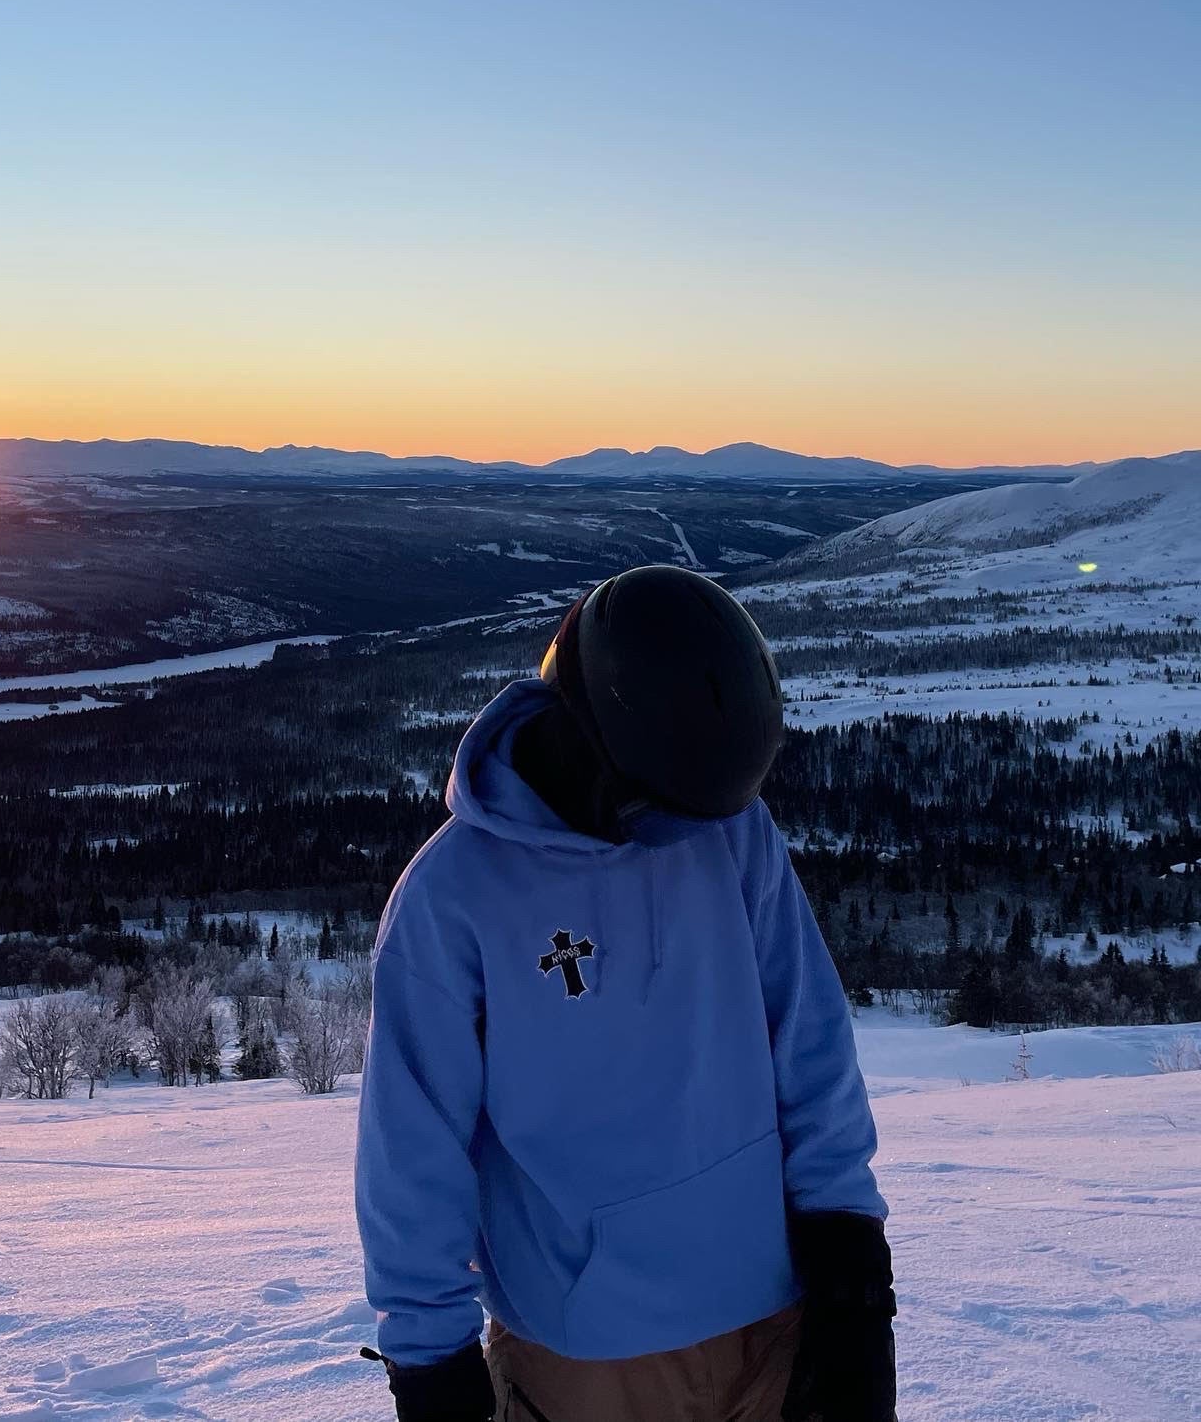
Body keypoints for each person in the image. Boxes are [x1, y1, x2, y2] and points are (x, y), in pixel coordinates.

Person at [356, 565, 896, 1422]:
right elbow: (412, 1158)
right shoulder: (448, 901)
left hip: (781, 1325)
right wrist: (431, 1367)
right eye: (663, 813)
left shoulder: (728, 827)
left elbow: (812, 1045)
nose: (683, 839)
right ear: (591, 747)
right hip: (586, 1364)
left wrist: (853, 1269)